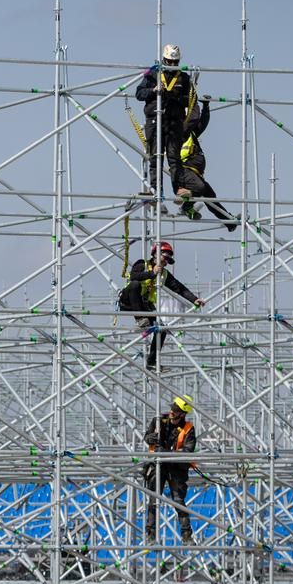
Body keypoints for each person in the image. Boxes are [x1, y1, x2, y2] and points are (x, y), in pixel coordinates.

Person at [120, 241, 204, 370]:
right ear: (155, 254)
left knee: (161, 329)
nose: (166, 261)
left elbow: (180, 288)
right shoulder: (142, 264)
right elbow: (133, 276)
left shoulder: (164, 274)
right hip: (129, 300)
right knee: (135, 284)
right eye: (165, 257)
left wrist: (195, 299)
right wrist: (152, 273)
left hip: (145, 304)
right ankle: (140, 319)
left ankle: (152, 362)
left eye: (168, 259)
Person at [169, 96, 239, 232]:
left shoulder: (190, 134)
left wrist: (206, 107)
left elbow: (202, 123)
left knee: (211, 198)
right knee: (200, 188)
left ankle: (229, 222)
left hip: (195, 172)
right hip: (185, 170)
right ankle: (187, 204)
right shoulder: (177, 135)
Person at [134, 43, 194, 189]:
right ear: (163, 60)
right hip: (155, 120)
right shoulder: (153, 75)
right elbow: (139, 94)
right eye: (169, 61)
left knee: (174, 157)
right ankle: (155, 189)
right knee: (155, 157)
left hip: (174, 122)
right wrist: (153, 90)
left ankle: (179, 188)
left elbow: (191, 100)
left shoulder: (183, 78)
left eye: (175, 62)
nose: (172, 64)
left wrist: (175, 97)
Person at [143, 395, 197, 542]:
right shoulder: (159, 421)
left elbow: (187, 451)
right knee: (154, 499)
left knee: (178, 500)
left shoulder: (188, 429)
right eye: (172, 408)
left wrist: (167, 452)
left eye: (176, 410)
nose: (172, 412)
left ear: (182, 413)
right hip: (157, 465)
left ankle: (187, 535)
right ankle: (151, 533)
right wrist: (150, 438)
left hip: (176, 468)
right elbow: (147, 436)